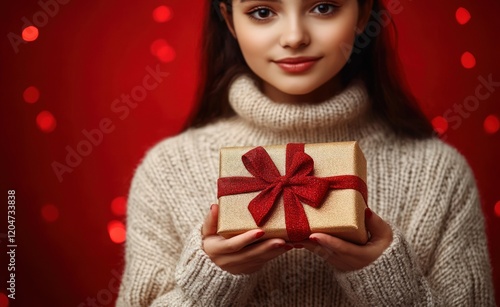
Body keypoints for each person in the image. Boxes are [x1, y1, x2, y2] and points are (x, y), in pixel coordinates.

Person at [117, 0, 495, 305]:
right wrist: (209, 280)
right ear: (229, 19)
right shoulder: (167, 169)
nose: (295, 37)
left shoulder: (438, 171)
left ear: (363, 13)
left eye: (324, 7)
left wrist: (388, 282)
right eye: (262, 12)